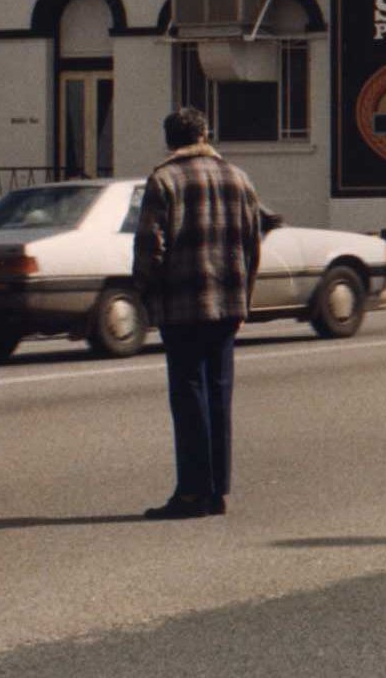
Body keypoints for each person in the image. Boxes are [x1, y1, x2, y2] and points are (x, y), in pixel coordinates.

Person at [132, 106, 264, 521]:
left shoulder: (164, 180)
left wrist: (143, 293)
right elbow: (252, 244)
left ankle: (191, 492)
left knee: (188, 396)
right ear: (206, 133)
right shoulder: (238, 179)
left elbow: (150, 245)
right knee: (219, 394)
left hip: (182, 303)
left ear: (170, 140)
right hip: (227, 302)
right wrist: (245, 298)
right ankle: (217, 490)